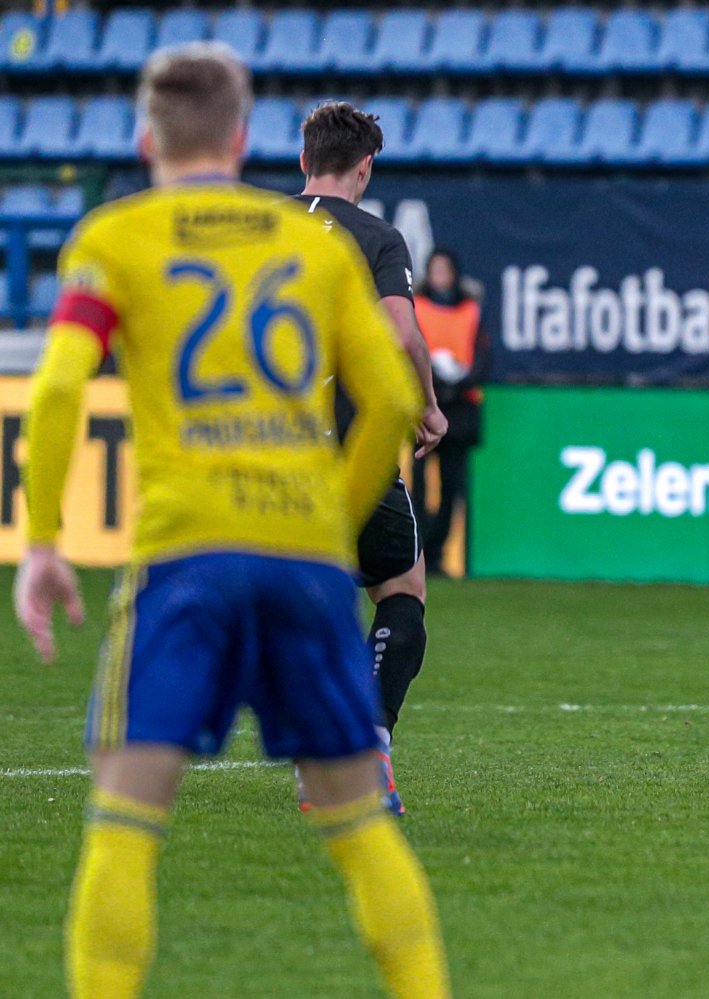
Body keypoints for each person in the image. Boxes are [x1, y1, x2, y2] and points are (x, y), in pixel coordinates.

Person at [13, 43, 451, 998]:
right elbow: (389, 392)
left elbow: (58, 389)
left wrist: (43, 540)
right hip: (301, 555)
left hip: (186, 556)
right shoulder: (312, 246)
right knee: (360, 831)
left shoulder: (114, 237)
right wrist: (331, 521)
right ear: (242, 138)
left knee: (125, 825)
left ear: (146, 141)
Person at [295, 102, 448, 814]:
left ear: (304, 160)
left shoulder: (258, 228)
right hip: (349, 451)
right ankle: (367, 746)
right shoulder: (376, 237)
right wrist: (427, 403)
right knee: (400, 588)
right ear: (365, 168)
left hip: (257, 457)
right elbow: (403, 333)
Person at [410, 248, 487, 573]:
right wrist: (436, 382)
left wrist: (460, 380)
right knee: (417, 484)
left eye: (445, 270)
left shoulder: (471, 311)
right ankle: (416, 547)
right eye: (435, 270)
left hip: (460, 409)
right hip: (424, 405)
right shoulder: (417, 307)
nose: (439, 277)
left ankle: (437, 551)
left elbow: (483, 357)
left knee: (452, 486)